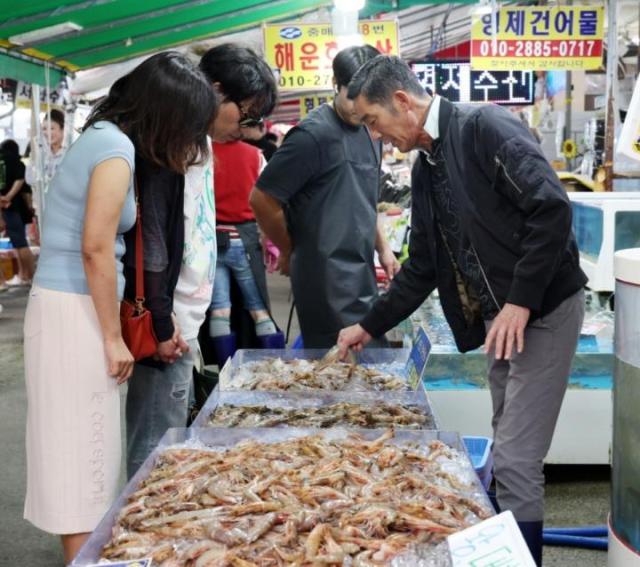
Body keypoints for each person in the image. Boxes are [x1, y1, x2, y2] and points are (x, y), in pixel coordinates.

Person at [337, 55, 587, 565]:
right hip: (501, 319)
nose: (378, 136)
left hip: (543, 310)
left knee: (516, 459)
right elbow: (424, 263)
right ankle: (501, 549)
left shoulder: (484, 128)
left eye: (374, 122)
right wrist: (368, 325)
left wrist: (519, 300)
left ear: (402, 102)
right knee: (504, 437)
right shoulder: (427, 163)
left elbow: (551, 208)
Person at [23, 51, 214, 563]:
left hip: (76, 306)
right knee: (80, 463)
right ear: (165, 112)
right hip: (74, 310)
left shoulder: (106, 139)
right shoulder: (114, 147)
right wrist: (112, 336)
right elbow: (96, 247)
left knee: (90, 462)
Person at [125, 43, 278, 477]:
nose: (246, 126)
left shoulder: (203, 147)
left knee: (170, 438)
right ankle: (143, 538)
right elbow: (152, 238)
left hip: (183, 319)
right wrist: (160, 318)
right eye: (244, 113)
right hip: (167, 323)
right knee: (154, 447)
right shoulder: (170, 146)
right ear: (212, 91)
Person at [250, 45, 400, 348]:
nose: (361, 107)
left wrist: (383, 248)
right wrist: (290, 250)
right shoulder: (311, 136)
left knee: (367, 367)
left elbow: (364, 199)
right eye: (353, 97)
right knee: (338, 368)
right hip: (325, 281)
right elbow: (262, 199)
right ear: (336, 85)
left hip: (362, 273)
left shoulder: (369, 131)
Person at [208, 139, 283, 365]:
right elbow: (270, 197)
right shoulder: (255, 155)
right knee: (258, 308)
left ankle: (226, 372)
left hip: (212, 240)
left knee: (219, 310)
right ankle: (274, 366)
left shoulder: (205, 152)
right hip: (245, 240)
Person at [0, 139, 35, 285]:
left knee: (19, 243)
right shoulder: (17, 162)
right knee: (21, 243)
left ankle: (24, 276)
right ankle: (27, 275)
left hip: (7, 208)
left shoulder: (2, 162)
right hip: (15, 208)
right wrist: (9, 197)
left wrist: (4, 198)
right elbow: (22, 183)